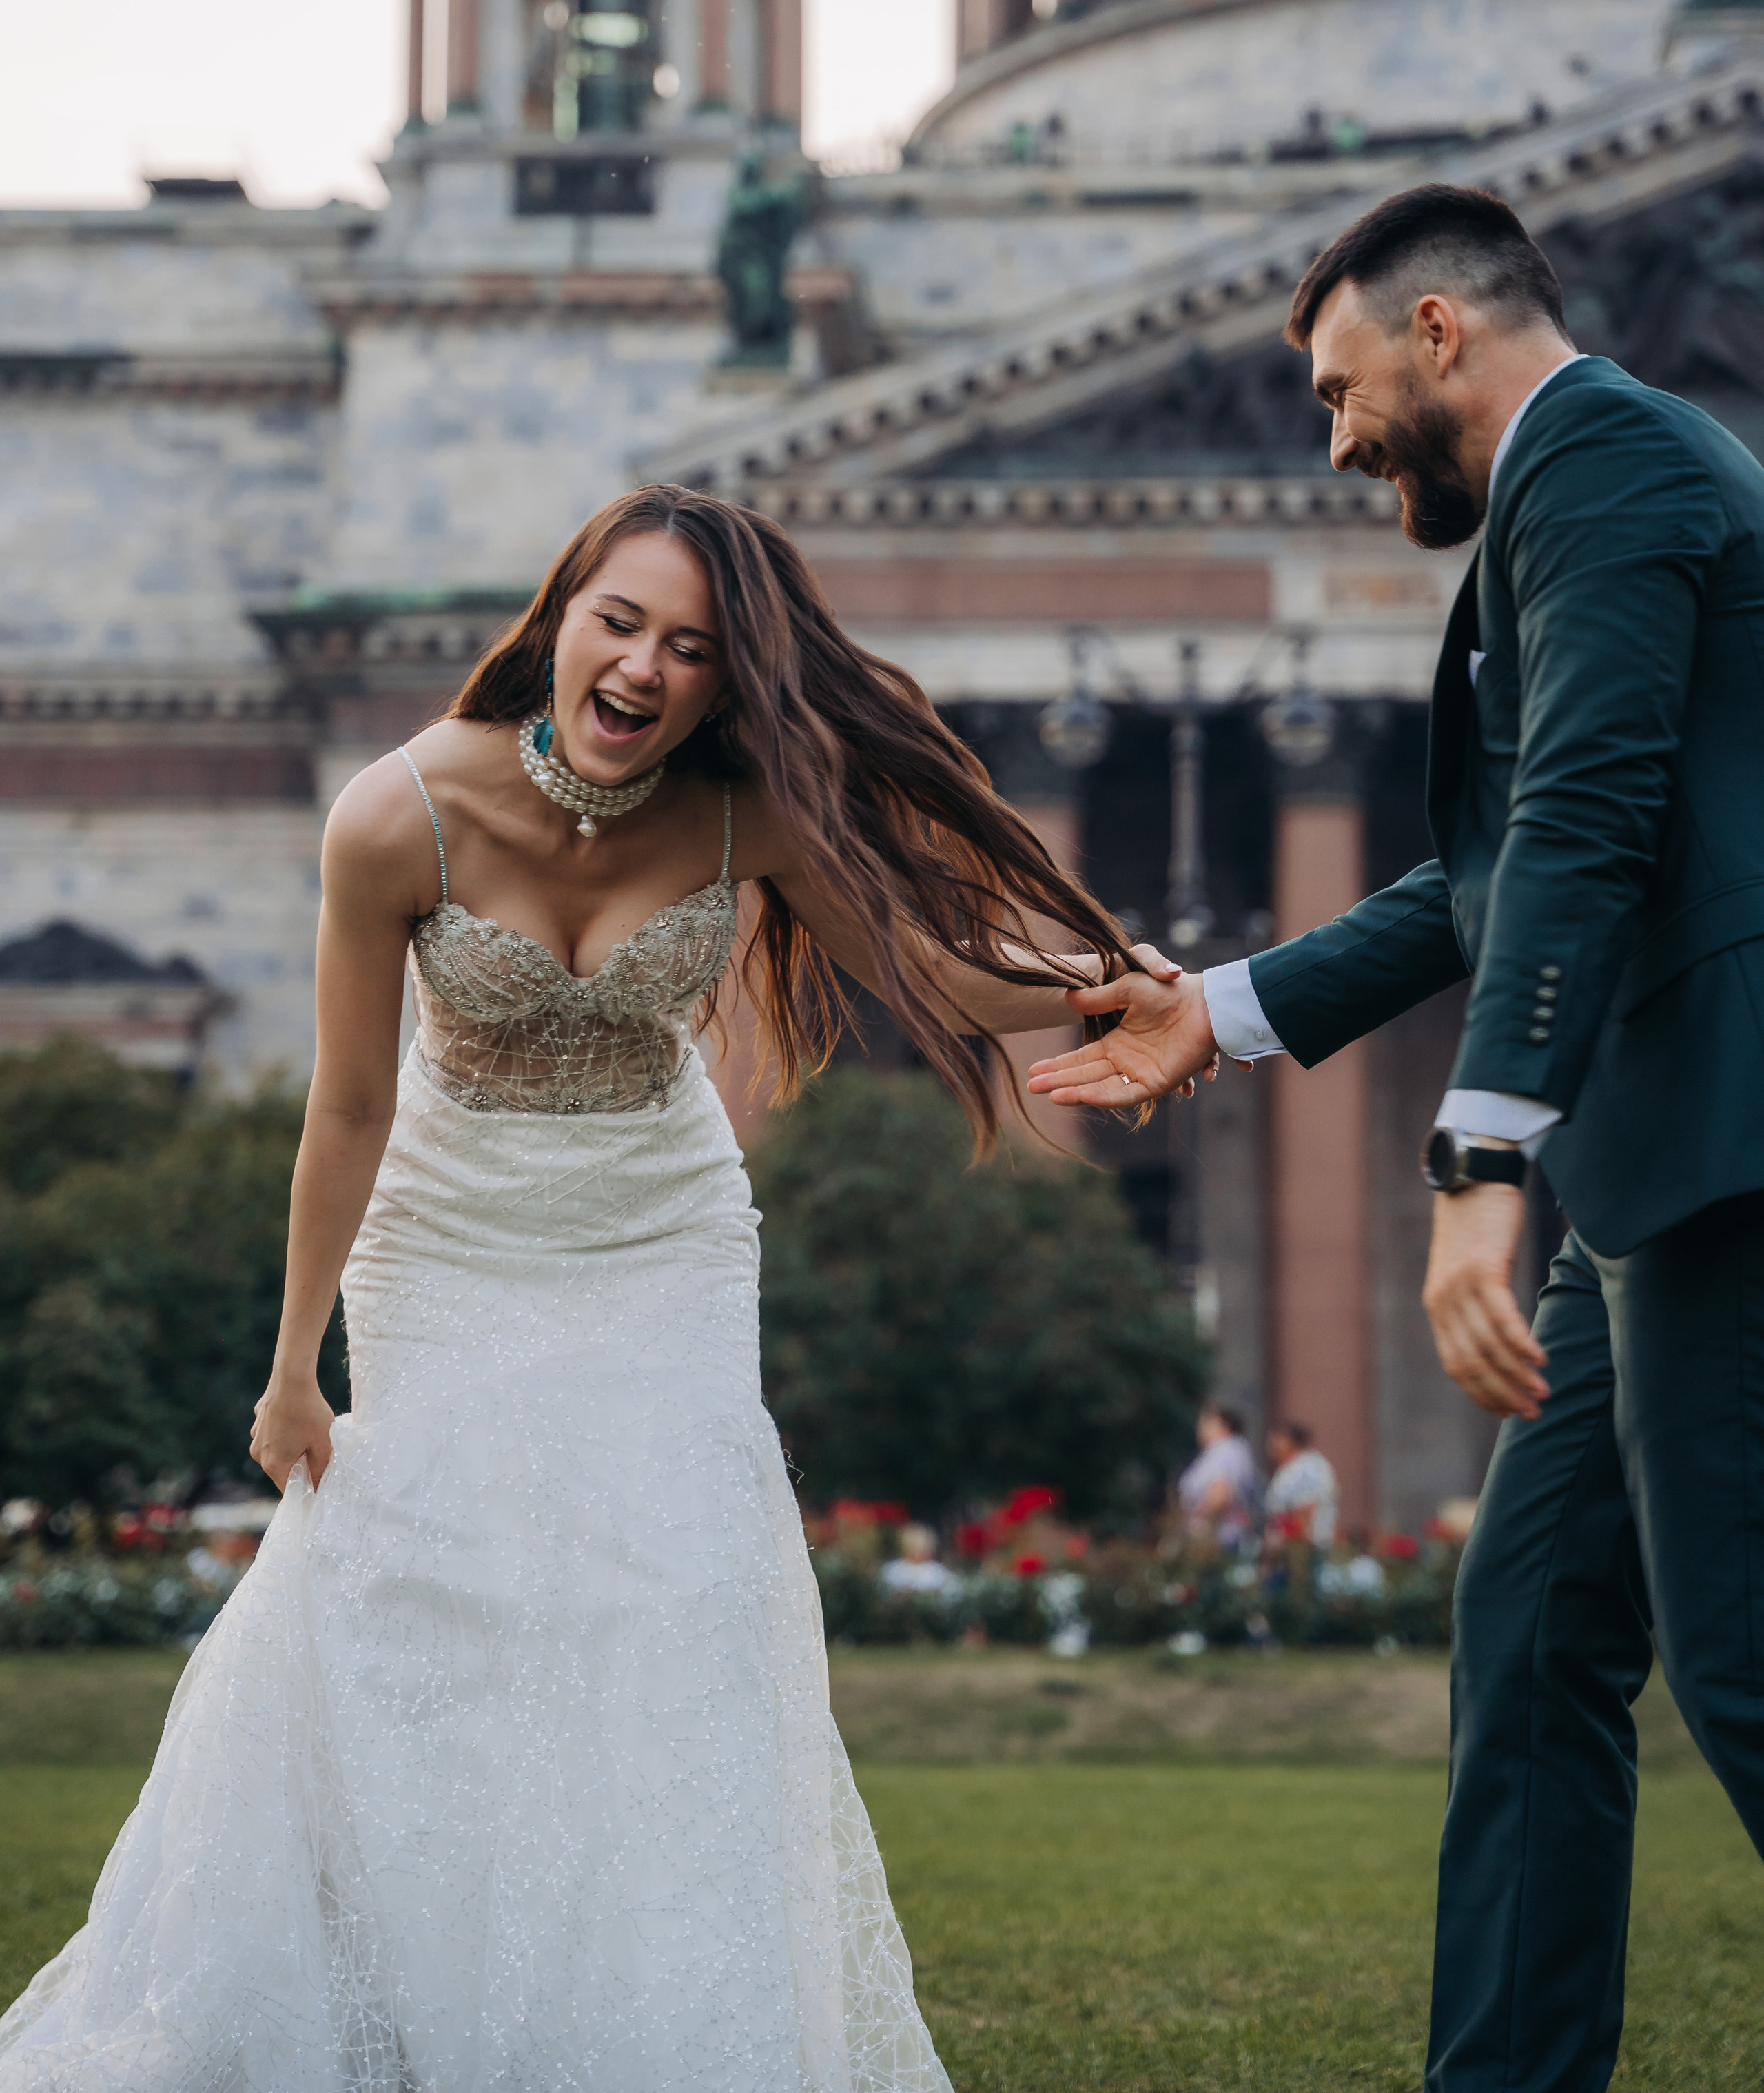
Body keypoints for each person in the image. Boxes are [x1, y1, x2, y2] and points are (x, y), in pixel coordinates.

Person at [0, 484, 1158, 2093]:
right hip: (452, 1228)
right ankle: (395, 1993)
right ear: (560, 619)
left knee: (672, 1598)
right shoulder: (392, 812)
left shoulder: (744, 811)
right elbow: (347, 1108)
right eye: (620, 622)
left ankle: (662, 2018)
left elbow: (922, 969)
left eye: (690, 647)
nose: (644, 668)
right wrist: (292, 1366)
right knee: (415, 1594)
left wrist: (1098, 980)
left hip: (659, 1229)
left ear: (721, 678)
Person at [1028, 181, 1764, 2093]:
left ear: (1441, 331)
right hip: (1664, 1166)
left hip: (1727, 1151)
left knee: (1747, 1666)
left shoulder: (1602, 461)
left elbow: (1592, 818)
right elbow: (1495, 872)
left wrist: (1473, 1167)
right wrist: (1228, 1009)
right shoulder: (1573, 491)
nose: (1339, 438)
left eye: (1346, 387)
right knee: (1529, 1646)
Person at [1174, 1402, 1260, 1551]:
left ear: (1223, 1425)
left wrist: (1203, 1530)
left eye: (1206, 1421)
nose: (1200, 1427)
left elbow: (1219, 1495)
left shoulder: (1226, 1450)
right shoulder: (1223, 1450)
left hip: (1216, 1538)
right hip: (1215, 1536)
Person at [1262, 1421, 1338, 1549]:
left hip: (1305, 1548)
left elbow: (1306, 1510)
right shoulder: (1291, 1466)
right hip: (1287, 1547)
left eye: (1276, 1438)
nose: (1271, 1444)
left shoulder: (1308, 1466)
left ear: (1289, 1441)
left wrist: (1298, 1548)